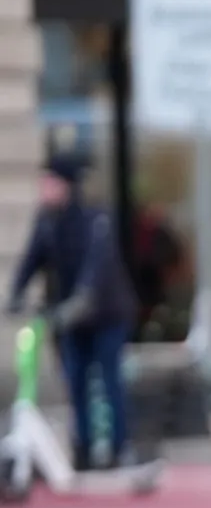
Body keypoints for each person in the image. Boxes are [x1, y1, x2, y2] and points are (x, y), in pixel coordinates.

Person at [7, 154, 140, 468]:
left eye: (49, 183)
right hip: (71, 319)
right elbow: (31, 260)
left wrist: (81, 300)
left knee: (109, 380)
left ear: (66, 186)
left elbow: (97, 267)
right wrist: (14, 294)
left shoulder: (94, 220)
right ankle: (83, 448)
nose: (44, 189)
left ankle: (119, 447)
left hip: (107, 314)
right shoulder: (46, 221)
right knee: (75, 380)